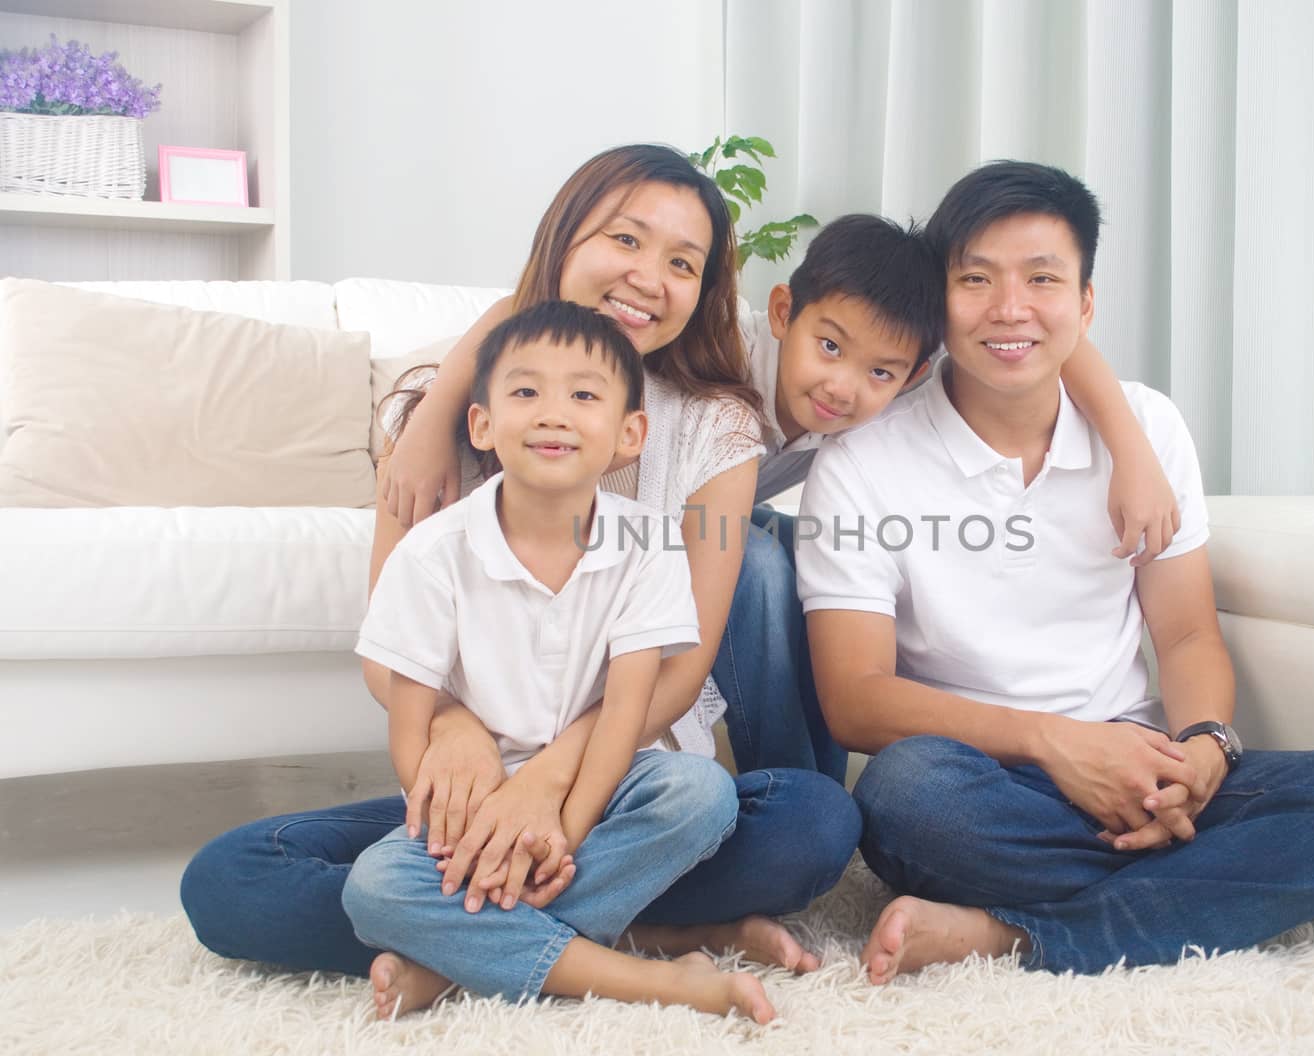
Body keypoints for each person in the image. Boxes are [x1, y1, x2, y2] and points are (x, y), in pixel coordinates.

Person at [182, 144, 859, 990]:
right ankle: (642, 935)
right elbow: (389, 657)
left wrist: (549, 786)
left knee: (813, 823)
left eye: (683, 263)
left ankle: (454, 945)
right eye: (626, 239)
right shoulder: (453, 414)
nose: (650, 277)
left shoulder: (712, 426)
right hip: (466, 784)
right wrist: (462, 735)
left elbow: (680, 672)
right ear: (564, 239)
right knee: (230, 879)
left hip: (630, 786)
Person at [797, 161, 1314, 983]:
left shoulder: (1148, 428)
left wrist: (1205, 750)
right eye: (977, 280)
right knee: (903, 795)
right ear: (939, 299)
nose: (1010, 308)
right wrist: (1056, 744)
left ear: (1085, 305)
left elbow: (1188, 631)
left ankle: (1014, 938)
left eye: (1043, 279)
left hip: (1145, 771)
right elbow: (854, 699)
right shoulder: (863, 461)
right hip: (981, 779)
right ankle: (1248, 892)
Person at [343, 300, 771, 1020]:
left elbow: (628, 713)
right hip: (471, 802)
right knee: (375, 885)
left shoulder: (648, 543)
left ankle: (453, 962)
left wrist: (560, 833)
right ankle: (653, 977)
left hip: (599, 790)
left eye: (583, 395)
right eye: (524, 391)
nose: (552, 413)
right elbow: (411, 727)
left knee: (701, 793)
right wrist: (469, 833)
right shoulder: (433, 552)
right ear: (481, 423)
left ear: (629, 434)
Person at [724, 213, 1187, 781]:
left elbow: (1057, 347)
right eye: (827, 347)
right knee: (761, 560)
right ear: (781, 314)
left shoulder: (893, 359)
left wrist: (1132, 452)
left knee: (815, 553)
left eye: (879, 372)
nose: (842, 386)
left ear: (913, 372)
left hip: (732, 520)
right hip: (642, 526)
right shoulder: (725, 354)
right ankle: (790, 789)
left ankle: (815, 796)